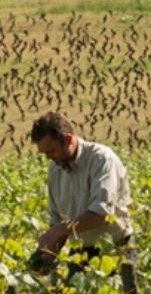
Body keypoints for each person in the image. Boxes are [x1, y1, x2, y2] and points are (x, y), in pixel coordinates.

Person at [27, 110, 131, 273]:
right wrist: (46, 257)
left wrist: (59, 230)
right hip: (80, 255)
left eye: (50, 151)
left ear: (68, 140)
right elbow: (57, 220)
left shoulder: (101, 160)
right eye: (44, 153)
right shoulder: (55, 169)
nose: (48, 157)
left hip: (115, 251)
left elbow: (102, 214)